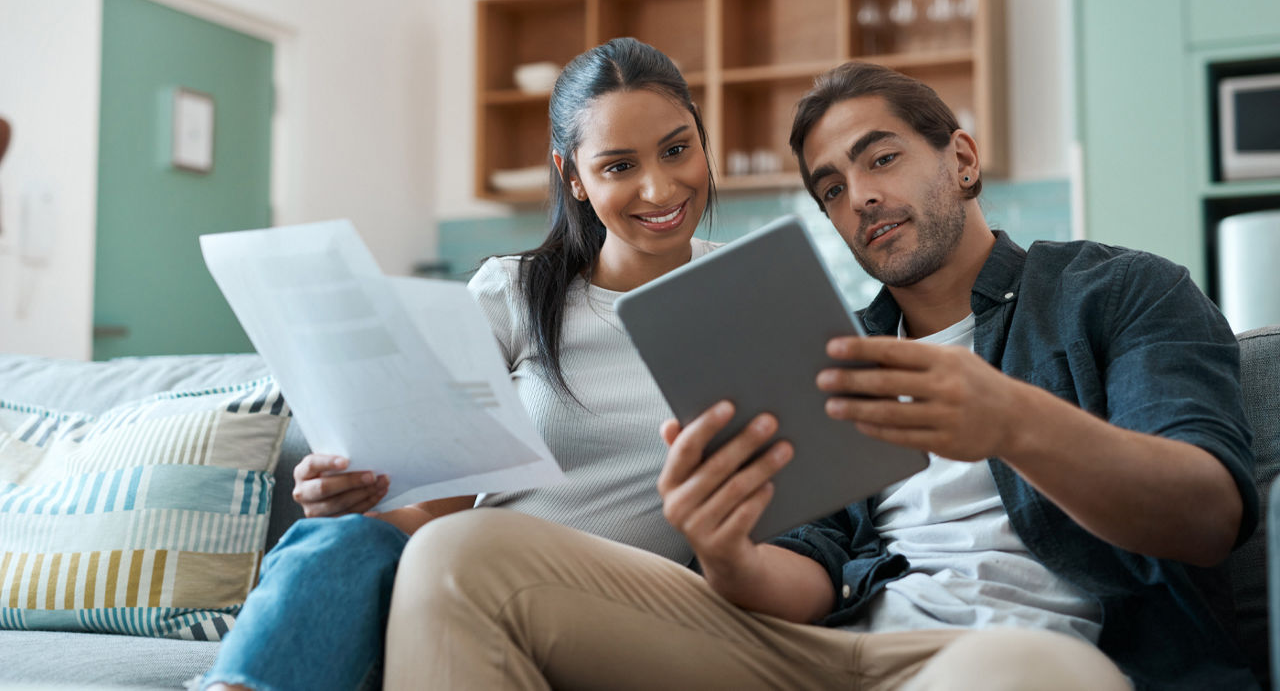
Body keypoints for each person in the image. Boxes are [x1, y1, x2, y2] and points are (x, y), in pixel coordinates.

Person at [383, 61, 1258, 691]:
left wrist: (1012, 422)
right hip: (829, 656)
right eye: (831, 188)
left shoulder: (1115, 292)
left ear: (960, 158)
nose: (861, 197)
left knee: (1018, 673)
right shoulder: (829, 347)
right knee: (457, 555)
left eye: (882, 159)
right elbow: (804, 573)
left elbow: (1207, 515)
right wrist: (726, 554)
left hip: (1020, 657)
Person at [201, 37, 721, 691]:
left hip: (619, 617)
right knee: (345, 540)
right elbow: (434, 519)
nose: (660, 186)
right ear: (574, 178)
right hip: (464, 586)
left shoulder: (748, 292)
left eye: (678, 149)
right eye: (618, 166)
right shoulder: (514, 294)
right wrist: (351, 503)